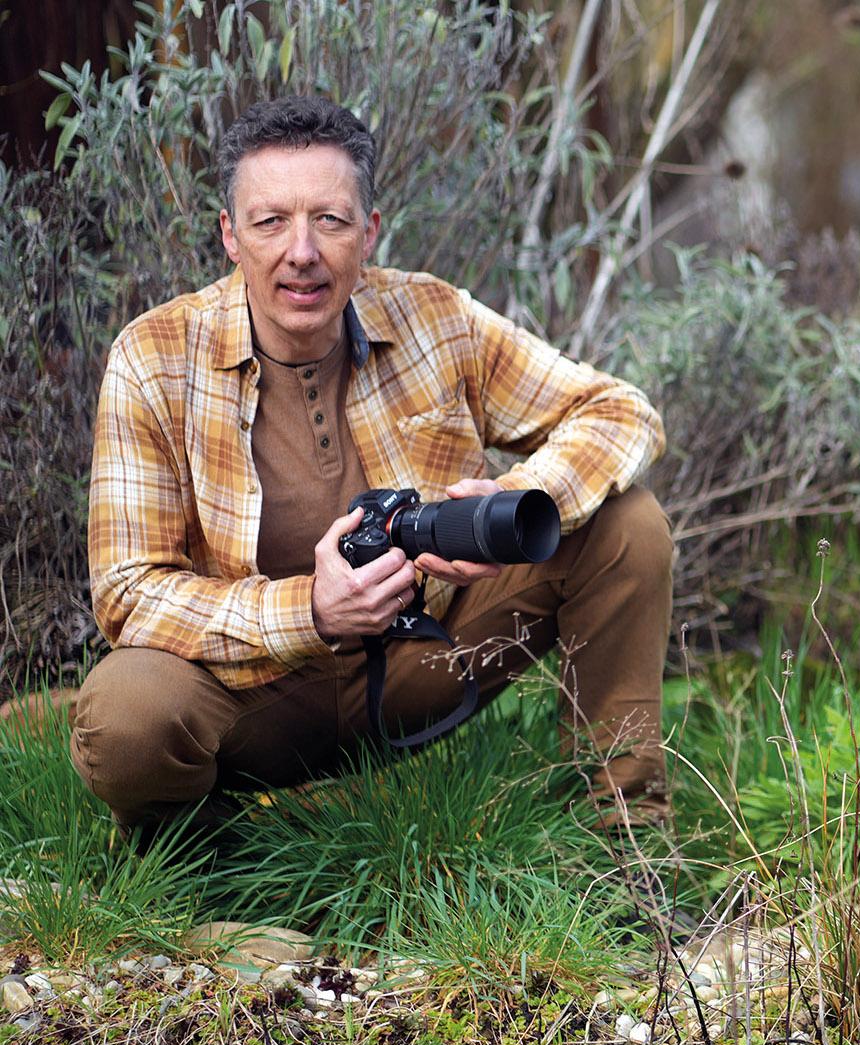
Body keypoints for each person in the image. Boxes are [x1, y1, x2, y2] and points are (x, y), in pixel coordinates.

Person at [70, 95, 672, 842]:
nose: (302, 251)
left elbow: (619, 411)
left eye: (330, 219)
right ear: (230, 235)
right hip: (254, 694)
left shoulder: (432, 316)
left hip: (422, 658)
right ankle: (206, 862)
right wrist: (311, 611)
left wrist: (512, 502)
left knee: (626, 525)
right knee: (125, 714)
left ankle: (626, 844)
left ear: (369, 232)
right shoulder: (154, 357)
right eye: (270, 221)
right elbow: (129, 593)